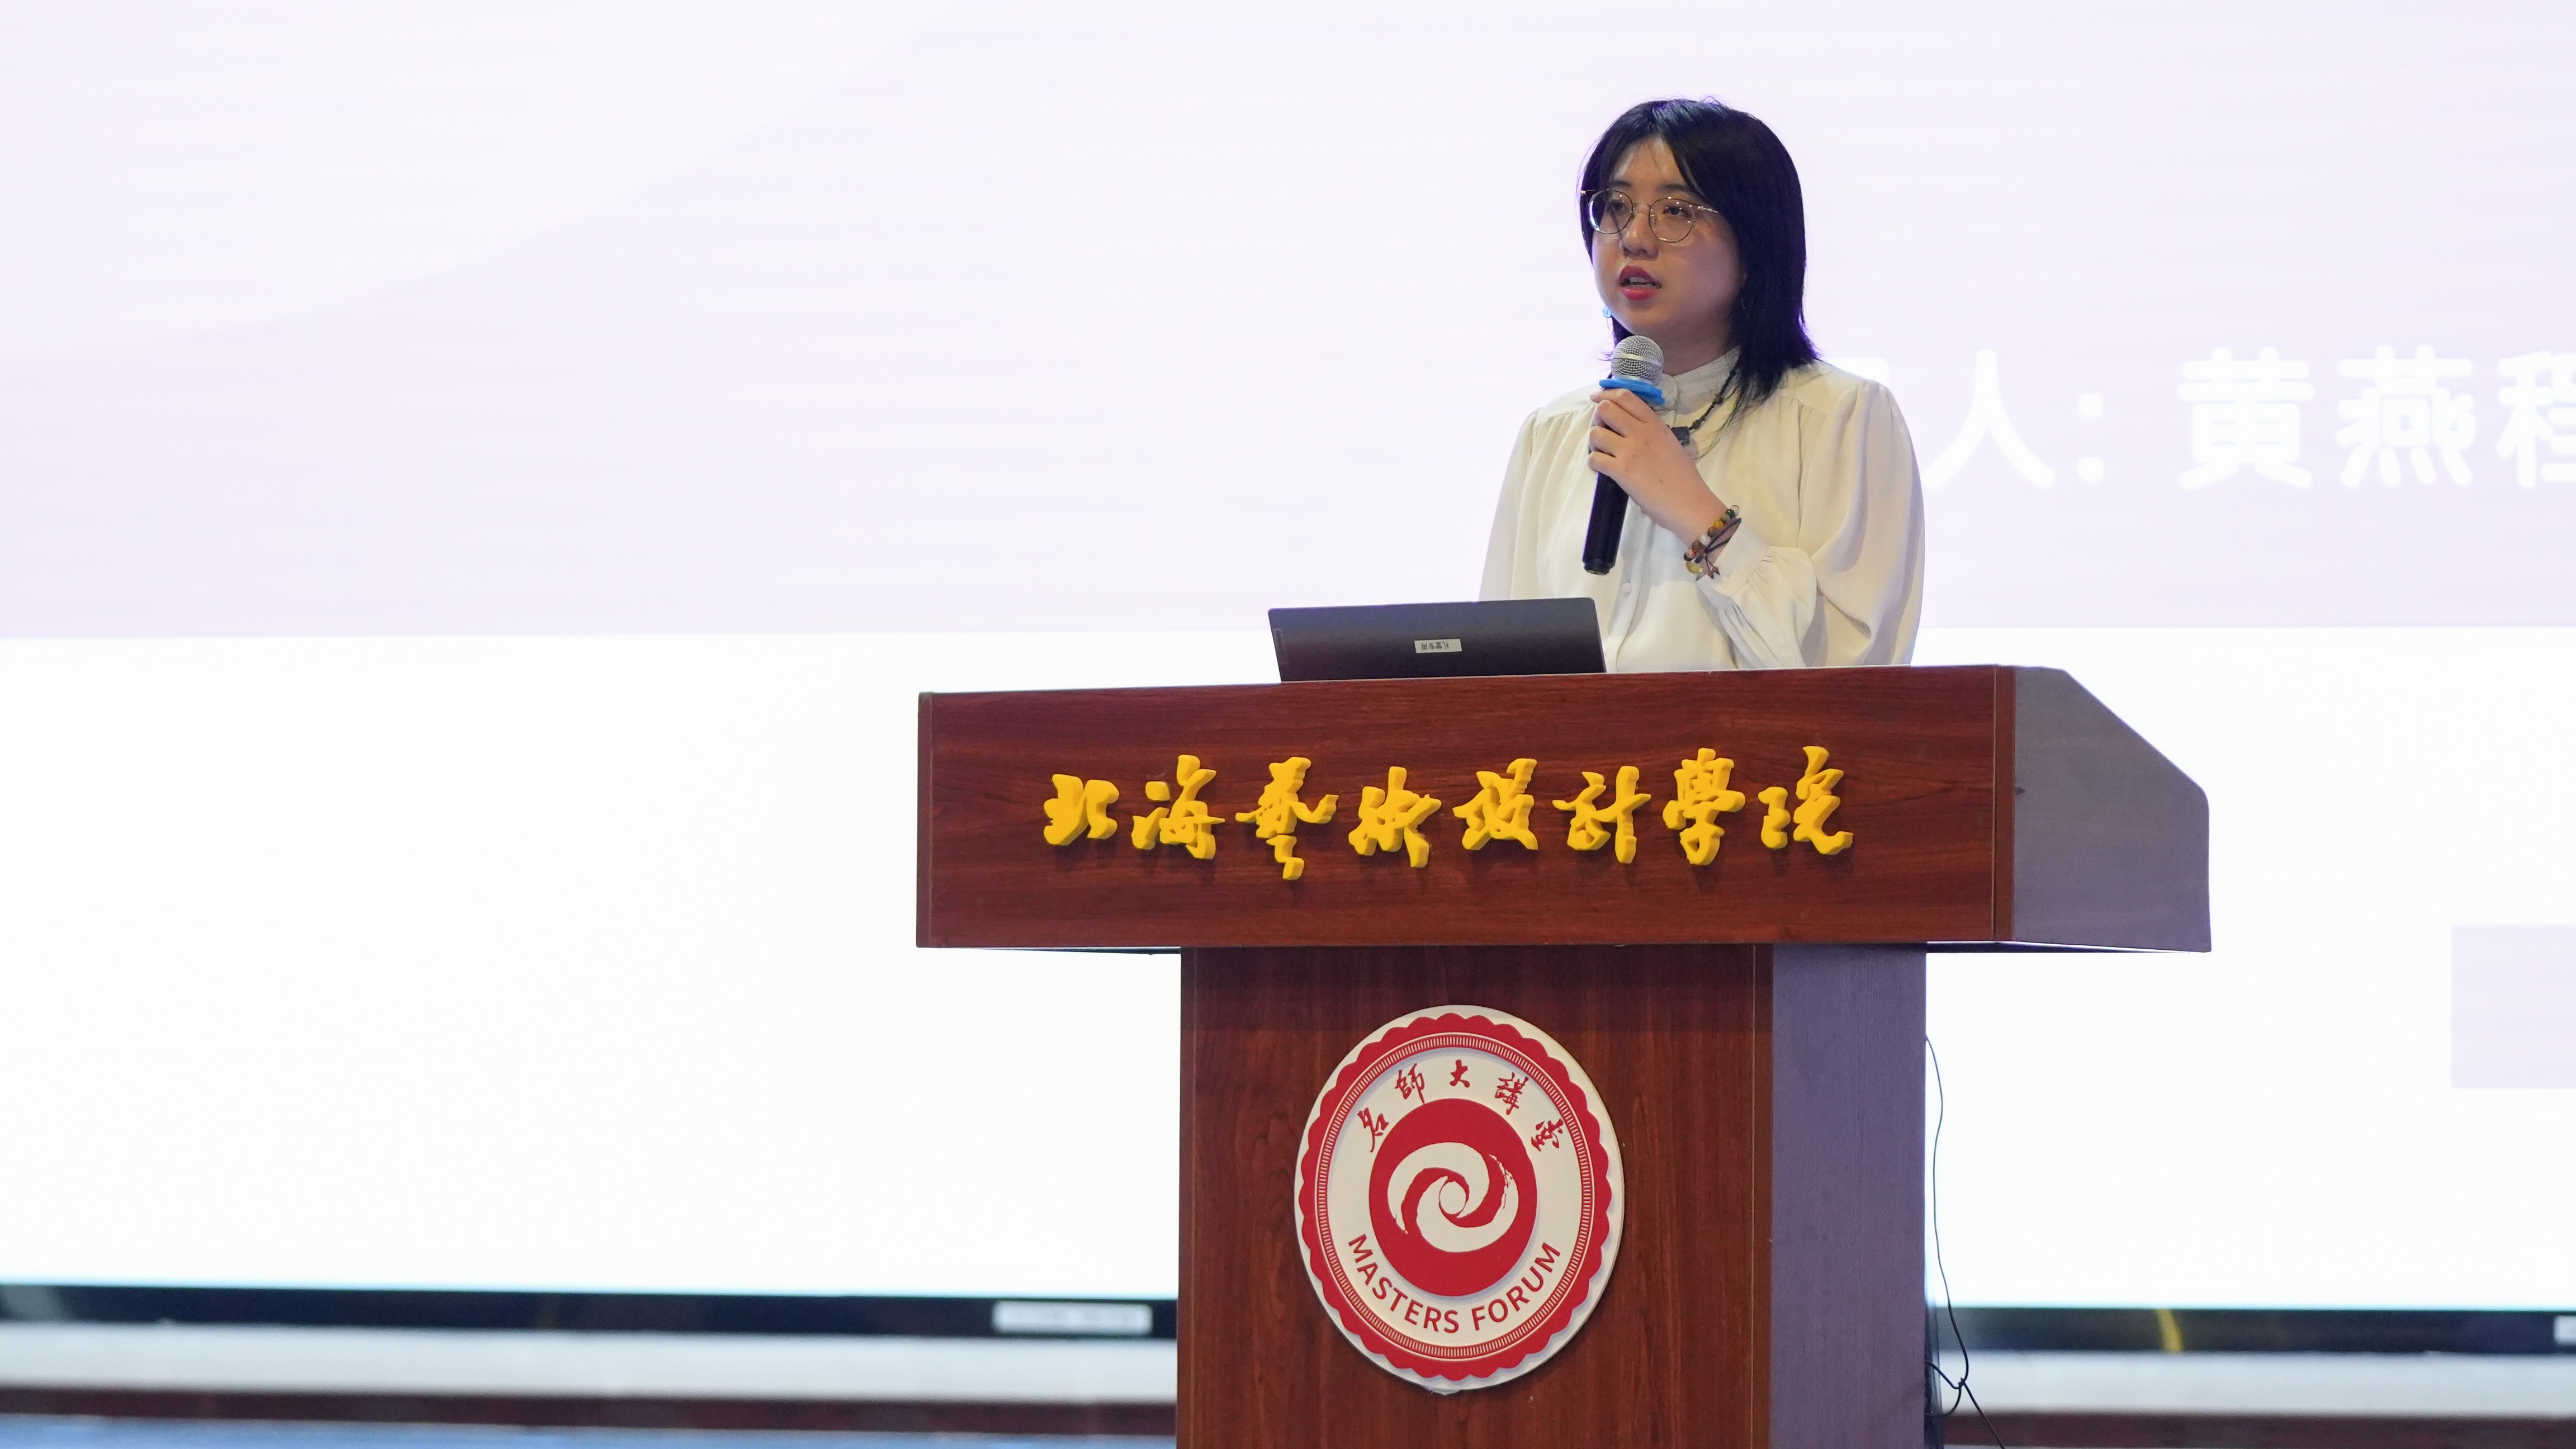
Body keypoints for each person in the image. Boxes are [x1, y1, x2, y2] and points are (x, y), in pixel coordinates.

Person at [1480, 98, 1925, 671]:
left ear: (1754, 247)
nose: (1634, 238)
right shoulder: (1554, 433)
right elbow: (1497, 674)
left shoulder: (1841, 418)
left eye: (1675, 211)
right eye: (1616, 206)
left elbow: (1853, 671)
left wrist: (1695, 512)